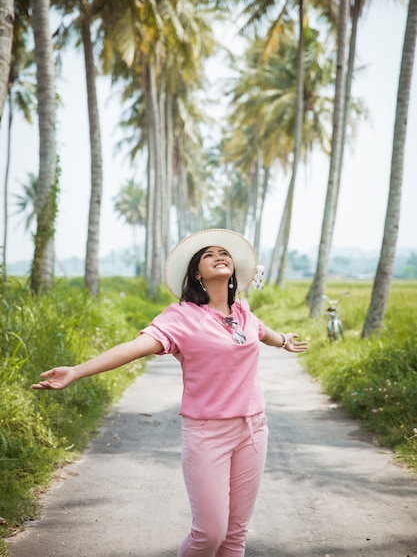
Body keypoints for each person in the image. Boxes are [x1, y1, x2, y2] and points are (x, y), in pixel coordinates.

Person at [31, 228, 308, 557]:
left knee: (234, 536)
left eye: (224, 253)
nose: (219, 257)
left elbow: (263, 333)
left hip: (253, 430)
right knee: (210, 534)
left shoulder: (243, 312)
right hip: (207, 434)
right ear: (196, 272)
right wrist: (77, 371)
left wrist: (284, 340)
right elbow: (134, 348)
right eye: (208, 255)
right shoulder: (182, 317)